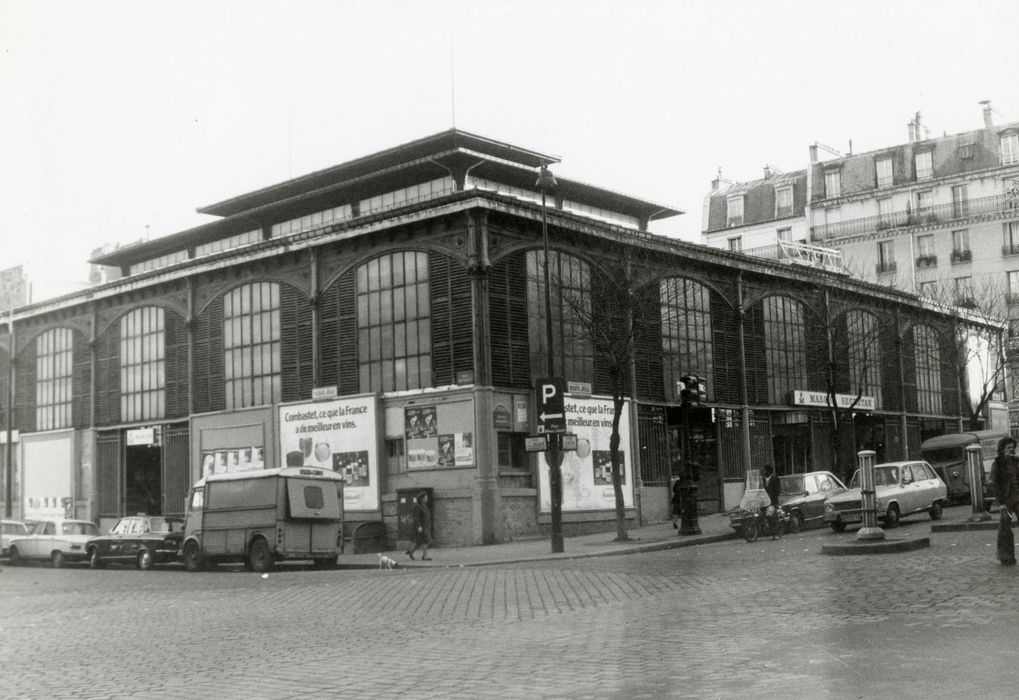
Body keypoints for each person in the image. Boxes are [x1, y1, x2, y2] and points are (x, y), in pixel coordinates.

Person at [990, 435, 1019, 566]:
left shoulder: (1017, 462)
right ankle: (1006, 557)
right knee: (1005, 528)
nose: (1011, 450)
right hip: (1006, 501)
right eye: (1008, 448)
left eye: (1013, 448)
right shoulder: (997, 464)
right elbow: (995, 484)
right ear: (1002, 449)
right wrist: (1001, 503)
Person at [405, 491, 433, 561]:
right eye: (426, 497)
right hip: (421, 527)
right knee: (427, 541)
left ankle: (411, 551)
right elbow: (416, 517)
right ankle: (424, 556)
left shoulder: (424, 505)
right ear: (421, 498)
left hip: (426, 526)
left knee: (420, 542)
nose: (427, 499)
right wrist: (419, 526)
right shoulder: (417, 506)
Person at [763, 464, 782, 540]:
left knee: (771, 516)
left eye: (764, 470)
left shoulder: (775, 479)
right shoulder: (763, 480)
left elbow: (778, 491)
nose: (763, 472)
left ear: (769, 471)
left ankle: (776, 533)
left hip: (773, 502)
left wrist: (771, 497)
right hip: (763, 502)